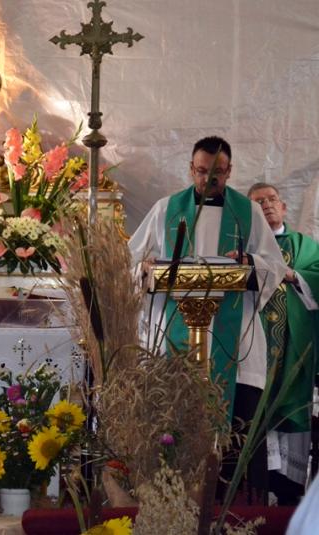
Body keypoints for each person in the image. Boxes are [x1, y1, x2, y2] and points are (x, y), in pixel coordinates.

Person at [129, 136, 288, 501]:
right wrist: (145, 269)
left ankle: (232, 505)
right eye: (201, 171)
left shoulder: (247, 214)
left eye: (217, 173)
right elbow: (131, 261)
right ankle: (172, 500)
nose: (208, 179)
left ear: (229, 172)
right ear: (191, 169)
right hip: (172, 342)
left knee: (235, 433)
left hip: (235, 345)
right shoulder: (166, 210)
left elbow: (274, 266)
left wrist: (249, 262)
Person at [247, 182, 319, 505]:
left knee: (290, 406)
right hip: (255, 348)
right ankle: (259, 486)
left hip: (294, 347)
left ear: (284, 207)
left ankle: (289, 490)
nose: (266, 205)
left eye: (272, 199)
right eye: (258, 202)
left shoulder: (305, 246)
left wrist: (292, 275)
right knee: (255, 407)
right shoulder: (244, 248)